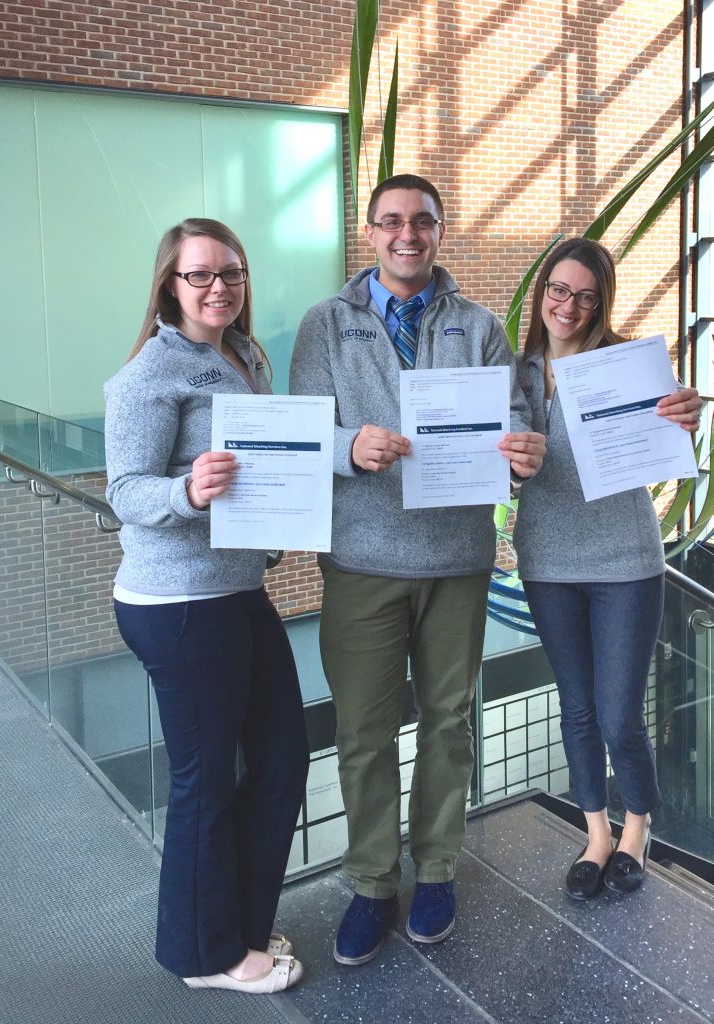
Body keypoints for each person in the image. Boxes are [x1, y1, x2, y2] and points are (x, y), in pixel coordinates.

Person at [290, 174, 545, 965]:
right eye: (392, 221)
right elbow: (303, 431)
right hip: (362, 560)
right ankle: (371, 882)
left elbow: (518, 416)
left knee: (448, 722)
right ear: (370, 233)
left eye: (423, 222)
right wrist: (347, 449)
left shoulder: (476, 327)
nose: (408, 234)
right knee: (363, 732)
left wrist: (524, 446)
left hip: (458, 563)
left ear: (440, 231)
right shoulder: (326, 325)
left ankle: (435, 869)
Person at [104, 218, 309, 993]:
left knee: (285, 757)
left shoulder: (244, 356)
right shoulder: (152, 373)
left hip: (236, 593)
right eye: (200, 276)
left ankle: (242, 927)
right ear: (170, 284)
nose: (218, 287)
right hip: (177, 602)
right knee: (205, 780)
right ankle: (207, 957)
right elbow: (125, 491)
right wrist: (188, 491)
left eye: (231, 273)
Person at [513, 237, 702, 900]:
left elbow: (666, 439)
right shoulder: (516, 375)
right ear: (542, 293)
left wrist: (685, 420)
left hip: (626, 559)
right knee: (578, 706)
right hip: (548, 560)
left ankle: (637, 829)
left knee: (619, 712)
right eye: (559, 290)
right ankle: (596, 832)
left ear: (601, 305)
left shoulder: (627, 366)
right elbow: (500, 471)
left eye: (586, 296)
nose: (570, 305)